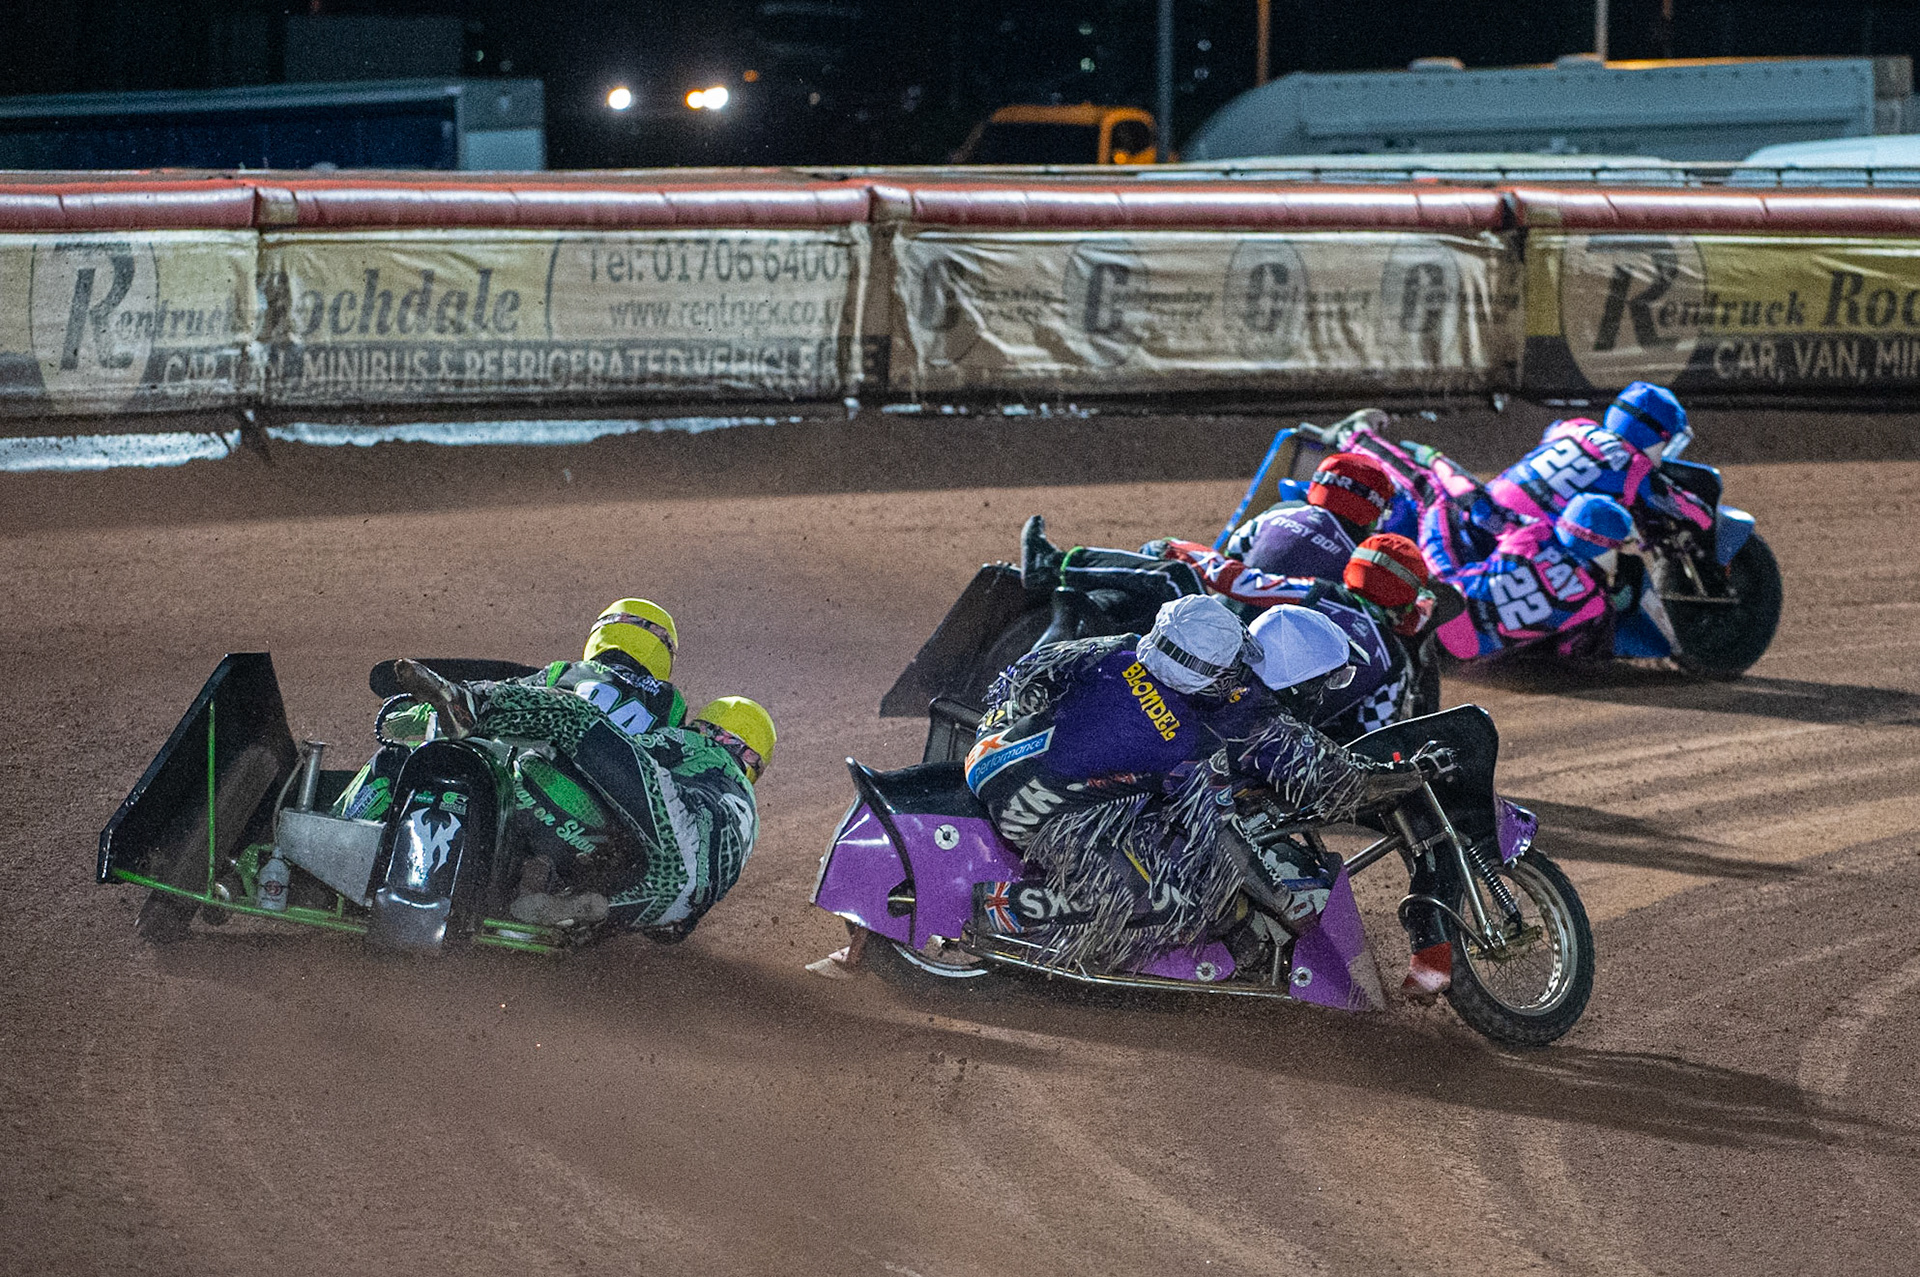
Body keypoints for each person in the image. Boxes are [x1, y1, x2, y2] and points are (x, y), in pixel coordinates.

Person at [964, 595, 1445, 976]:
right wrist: (1282, 903)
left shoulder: (1119, 648)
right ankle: (1008, 912)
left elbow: (1028, 673)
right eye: (1231, 663)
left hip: (990, 754)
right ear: (1205, 673)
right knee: (1186, 905)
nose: (1239, 671)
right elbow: (1220, 836)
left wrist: (1005, 725)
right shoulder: (1189, 740)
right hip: (1039, 815)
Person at [336, 598, 775, 941]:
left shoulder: (568, 674)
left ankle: (337, 835)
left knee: (398, 760)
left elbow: (396, 727)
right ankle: (553, 896)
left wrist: (405, 716)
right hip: (604, 852)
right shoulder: (672, 709)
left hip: (522, 790)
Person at [1427, 494, 1637, 661]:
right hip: (1468, 651)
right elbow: (1567, 648)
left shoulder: (1535, 534)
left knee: (1438, 503)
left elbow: (1497, 532)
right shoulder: (1596, 604)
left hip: (1436, 605)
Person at [1488, 382, 1712, 534]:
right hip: (1518, 538)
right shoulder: (1636, 469)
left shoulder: (1574, 426)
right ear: (1653, 437)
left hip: (1484, 505)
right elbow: (1698, 515)